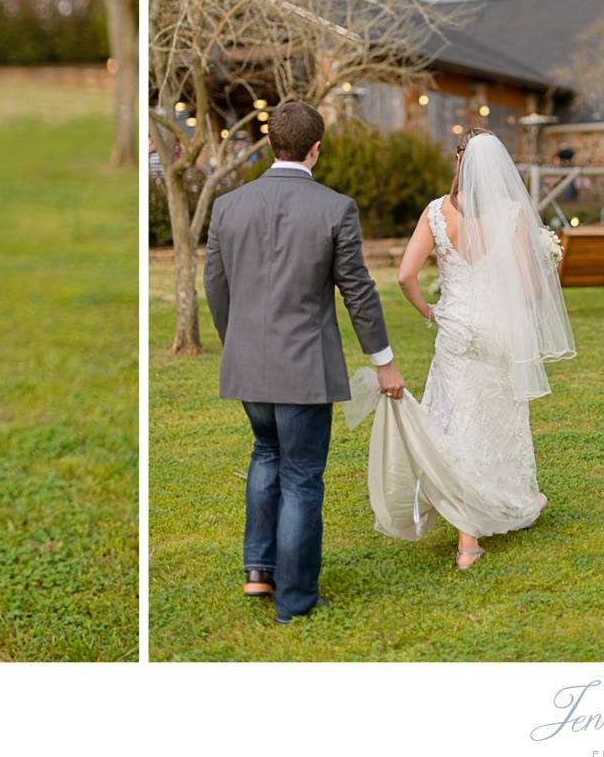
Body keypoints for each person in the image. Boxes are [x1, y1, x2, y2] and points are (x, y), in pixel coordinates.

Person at [203, 100, 402, 625]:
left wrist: (237, 342)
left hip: (249, 365)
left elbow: (215, 287)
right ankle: (295, 600)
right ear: (316, 149)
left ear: (273, 144)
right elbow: (358, 293)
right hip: (304, 370)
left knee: (266, 453)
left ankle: (259, 570)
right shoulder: (335, 208)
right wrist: (384, 362)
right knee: (300, 476)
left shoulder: (228, 206)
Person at [385, 128, 573, 567]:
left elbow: (403, 277)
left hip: (457, 329)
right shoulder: (512, 214)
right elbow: (528, 289)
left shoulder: (436, 213)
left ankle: (468, 538)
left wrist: (429, 312)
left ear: (457, 161)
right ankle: (506, 507)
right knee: (497, 421)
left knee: (458, 421)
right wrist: (546, 268)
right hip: (499, 330)